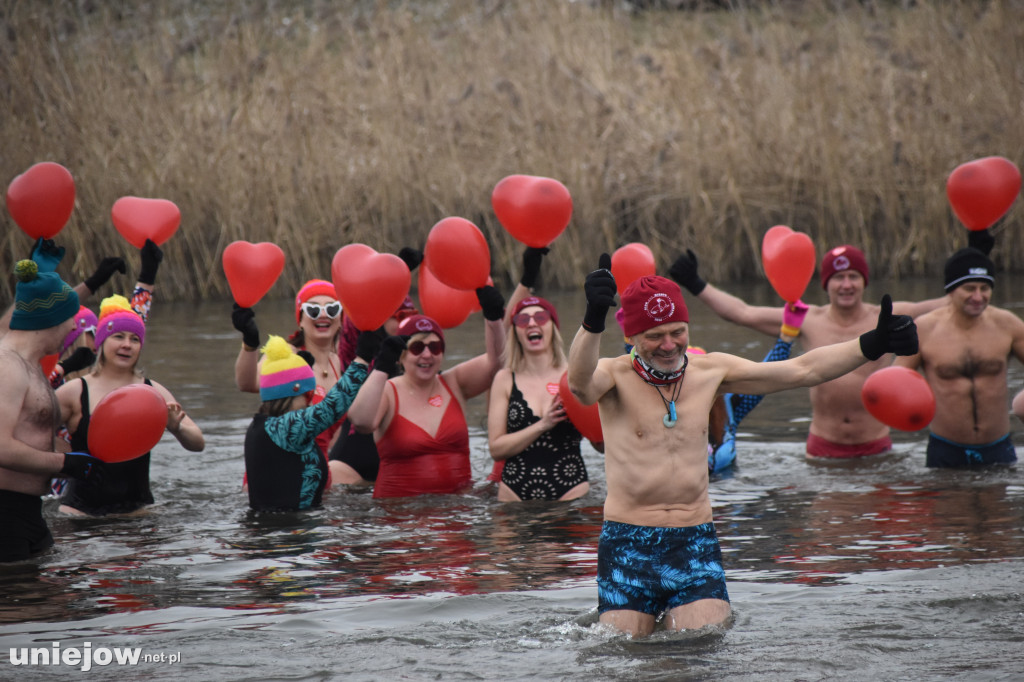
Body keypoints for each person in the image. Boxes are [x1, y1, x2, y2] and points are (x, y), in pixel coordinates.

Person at [566, 255, 918, 637]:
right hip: (628, 541)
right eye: (655, 336)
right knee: (623, 655)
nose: (669, 345)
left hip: (693, 539)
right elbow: (580, 384)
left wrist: (872, 343)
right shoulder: (613, 375)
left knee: (702, 647)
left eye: (678, 331)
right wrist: (592, 319)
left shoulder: (709, 371)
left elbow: (803, 370)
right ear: (631, 337)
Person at [669, 243, 945, 460]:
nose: (846, 284)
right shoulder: (808, 319)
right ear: (826, 284)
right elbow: (742, 313)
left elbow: (946, 304)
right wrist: (695, 283)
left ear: (864, 281)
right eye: (838, 278)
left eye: (853, 276)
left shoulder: (888, 317)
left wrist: (975, 259)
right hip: (822, 448)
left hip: (876, 446)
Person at [346, 285, 506, 499]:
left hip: (457, 511)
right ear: (401, 356)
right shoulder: (388, 391)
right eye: (417, 348)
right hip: (399, 516)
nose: (427, 354)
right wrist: (382, 367)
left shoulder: (454, 382)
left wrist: (493, 318)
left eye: (435, 347)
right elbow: (361, 421)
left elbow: (497, 364)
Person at [55, 295, 205, 515]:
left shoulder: (153, 391)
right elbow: (29, 431)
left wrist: (176, 428)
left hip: (138, 512)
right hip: (80, 514)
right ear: (101, 342)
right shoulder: (74, 391)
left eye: (135, 339)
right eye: (118, 336)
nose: (127, 344)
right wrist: (65, 457)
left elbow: (198, 443)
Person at [0, 260, 104, 561]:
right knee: (20, 603)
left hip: (27, 512)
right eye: (71, 317)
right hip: (5, 513)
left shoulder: (28, 366)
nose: (74, 326)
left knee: (51, 603)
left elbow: (30, 431)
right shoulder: (7, 367)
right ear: (50, 317)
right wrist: (63, 463)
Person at [893, 247, 1024, 467]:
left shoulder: (1008, 325)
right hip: (946, 448)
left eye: (985, 288)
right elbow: (895, 383)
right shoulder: (924, 329)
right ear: (951, 290)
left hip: (998, 447)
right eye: (969, 288)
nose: (978, 296)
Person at [244, 333, 377, 511]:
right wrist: (362, 359)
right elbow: (332, 407)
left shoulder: (259, 425)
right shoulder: (285, 427)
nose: (310, 402)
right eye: (309, 395)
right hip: (290, 533)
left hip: (274, 529)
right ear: (302, 393)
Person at [487, 295, 592, 502]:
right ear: (515, 332)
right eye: (523, 320)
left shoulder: (573, 376)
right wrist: (544, 424)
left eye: (541, 317)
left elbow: (601, 444)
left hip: (571, 492)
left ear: (553, 327)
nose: (532, 323)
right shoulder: (505, 379)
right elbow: (496, 449)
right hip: (514, 497)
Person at [233, 279, 345, 469]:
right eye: (313, 310)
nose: (324, 315)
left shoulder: (340, 361)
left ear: (341, 319)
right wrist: (250, 342)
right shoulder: (286, 354)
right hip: (281, 469)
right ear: (300, 319)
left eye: (332, 309)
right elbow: (248, 383)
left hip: (320, 472)